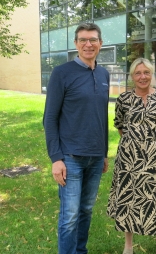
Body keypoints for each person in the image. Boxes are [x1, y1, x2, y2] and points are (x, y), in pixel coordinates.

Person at [43, 22, 110, 254]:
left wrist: (104, 153)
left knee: (86, 210)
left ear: (100, 43)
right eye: (83, 40)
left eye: (93, 39)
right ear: (76, 44)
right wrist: (56, 158)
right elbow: (50, 118)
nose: (88, 44)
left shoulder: (104, 74)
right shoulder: (62, 73)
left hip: (94, 157)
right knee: (70, 215)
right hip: (70, 157)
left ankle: (80, 251)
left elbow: (102, 115)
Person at [107, 58, 156, 254]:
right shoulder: (123, 100)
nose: (142, 76)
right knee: (129, 196)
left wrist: (151, 142)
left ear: (152, 74)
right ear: (132, 76)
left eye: (146, 72)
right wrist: (135, 143)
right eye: (138, 73)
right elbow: (120, 126)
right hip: (129, 157)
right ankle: (128, 245)